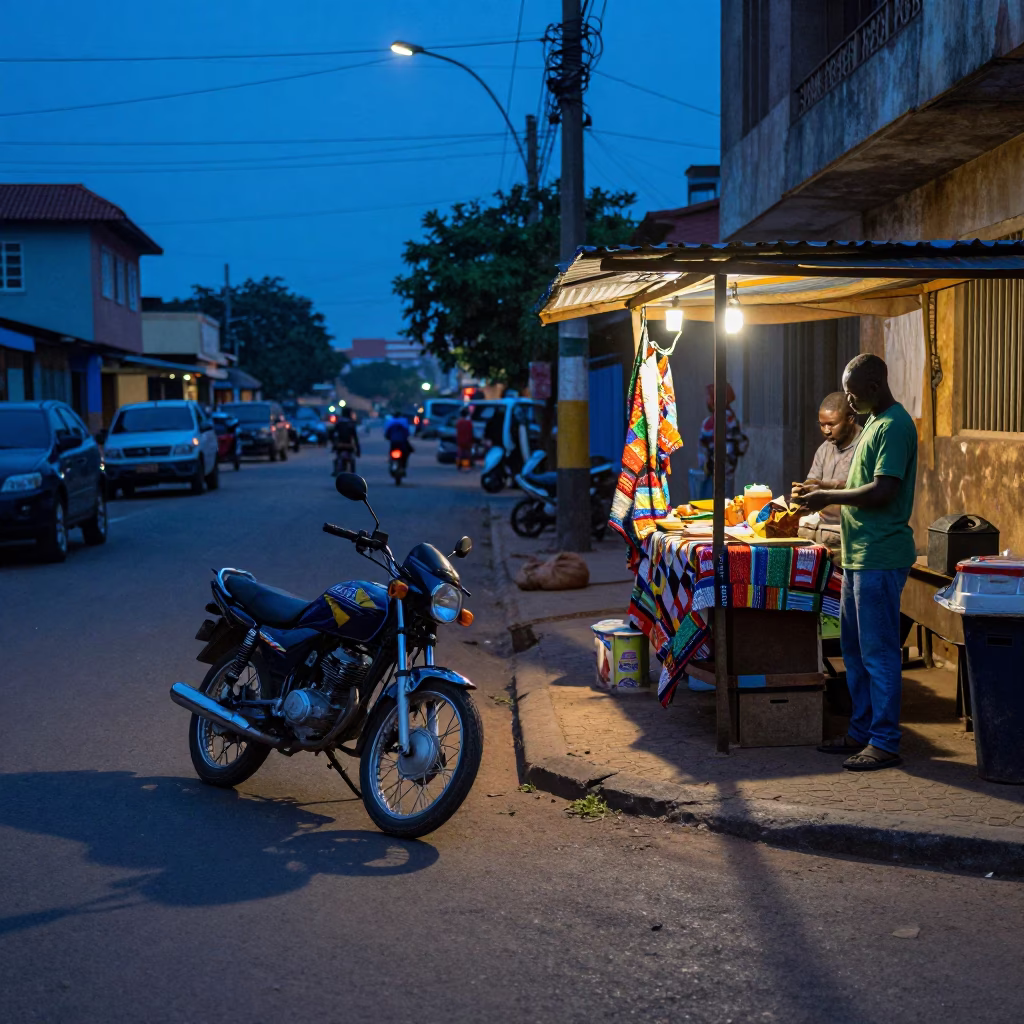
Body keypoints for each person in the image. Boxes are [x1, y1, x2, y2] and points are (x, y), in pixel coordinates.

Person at [797, 354, 918, 773]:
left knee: (879, 652)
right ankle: (862, 730)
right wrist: (824, 486)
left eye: (852, 392)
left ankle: (884, 740)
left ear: (873, 387)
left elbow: (883, 489)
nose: (848, 401)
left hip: (880, 555)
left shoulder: (895, 426)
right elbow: (858, 480)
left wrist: (829, 498)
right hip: (857, 555)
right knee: (853, 648)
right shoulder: (871, 425)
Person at [791, 391, 861, 558]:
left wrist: (824, 487)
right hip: (824, 534)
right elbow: (813, 482)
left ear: (850, 419)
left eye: (831, 424)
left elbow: (862, 487)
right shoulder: (825, 449)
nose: (826, 431)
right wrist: (804, 492)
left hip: (854, 537)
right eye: (822, 424)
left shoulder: (865, 446)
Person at [698, 382, 747, 499]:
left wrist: (710, 464)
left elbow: (707, 445)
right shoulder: (730, 418)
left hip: (719, 473)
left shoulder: (718, 420)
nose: (707, 400)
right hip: (722, 472)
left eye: (709, 397)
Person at [328, 408, 360, 475]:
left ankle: (336, 470)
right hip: (349, 445)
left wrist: (334, 443)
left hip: (340, 445)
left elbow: (332, 434)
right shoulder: (351, 424)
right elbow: (355, 437)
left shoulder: (339, 423)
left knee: (338, 457)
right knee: (352, 460)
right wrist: (358, 450)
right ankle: (353, 474)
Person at [454, 406, 475, 471]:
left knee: (460, 452)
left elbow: (457, 431)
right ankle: (470, 464)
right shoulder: (469, 423)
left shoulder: (459, 422)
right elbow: (471, 432)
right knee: (468, 453)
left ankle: (459, 464)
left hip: (460, 439)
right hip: (467, 439)